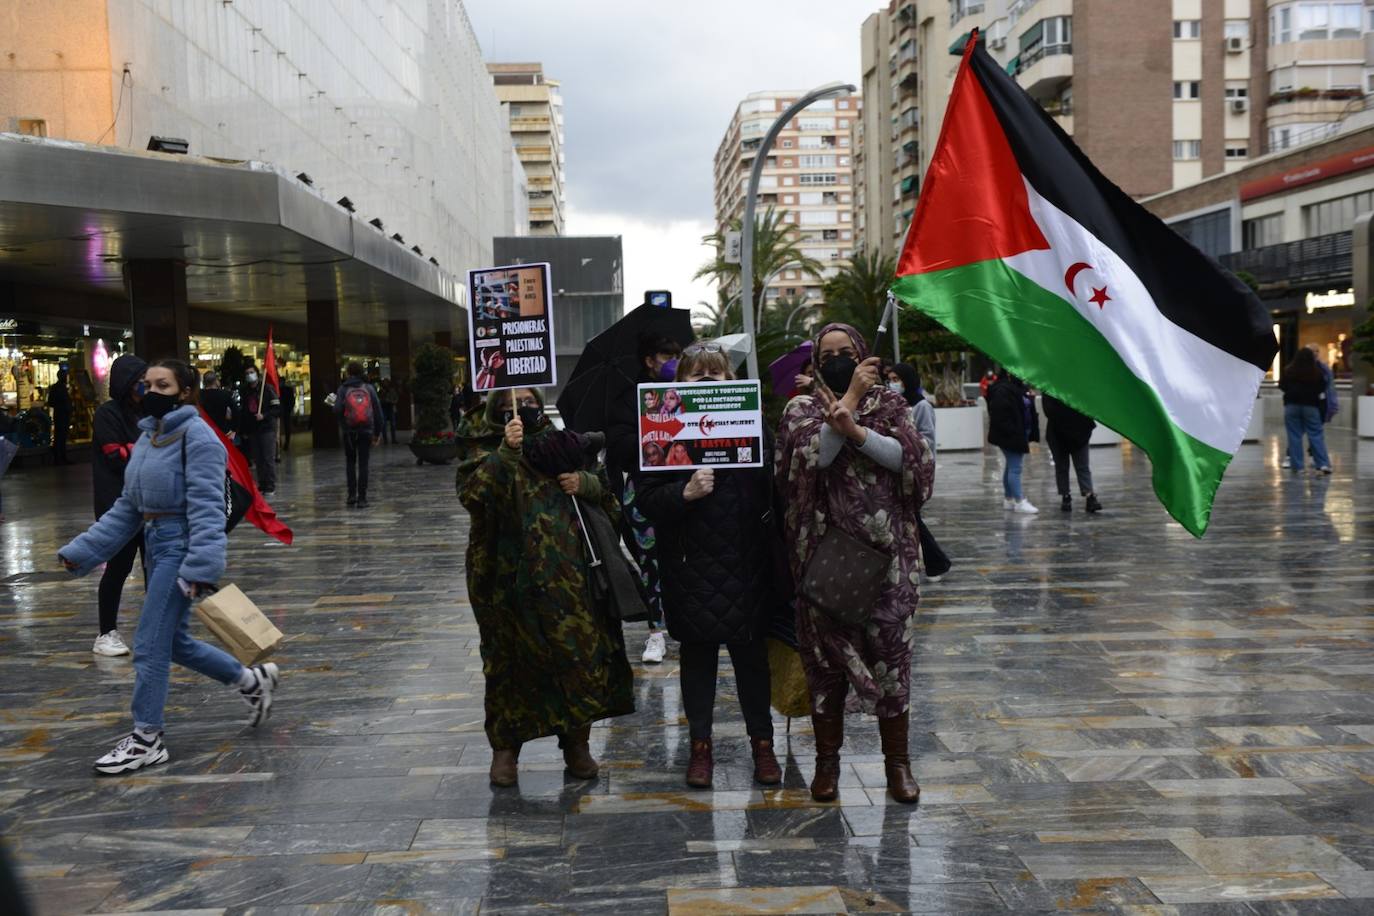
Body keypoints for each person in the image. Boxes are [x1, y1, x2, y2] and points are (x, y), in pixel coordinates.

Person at [57, 359, 280, 774]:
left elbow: (209, 510)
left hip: (181, 549)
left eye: (163, 384)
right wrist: (82, 551)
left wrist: (200, 569)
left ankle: (147, 738)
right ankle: (252, 681)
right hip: (156, 545)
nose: (152, 392)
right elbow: (128, 508)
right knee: (172, 642)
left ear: (185, 391)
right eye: (147, 384)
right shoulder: (150, 437)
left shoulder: (198, 439)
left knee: (147, 644)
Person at [775, 323, 935, 804]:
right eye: (828, 354)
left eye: (847, 352)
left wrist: (857, 429)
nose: (838, 358)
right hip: (824, 559)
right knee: (825, 666)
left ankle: (898, 767)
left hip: (888, 560)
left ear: (864, 354)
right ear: (816, 362)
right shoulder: (801, 407)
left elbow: (914, 462)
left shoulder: (891, 405)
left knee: (892, 657)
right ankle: (827, 766)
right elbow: (810, 460)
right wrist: (841, 409)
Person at [455, 386, 635, 787]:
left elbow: (611, 504)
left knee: (577, 662)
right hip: (505, 583)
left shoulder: (567, 445)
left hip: (569, 580)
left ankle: (576, 745)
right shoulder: (482, 450)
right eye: (507, 405)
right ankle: (506, 750)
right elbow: (473, 496)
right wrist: (507, 453)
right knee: (508, 665)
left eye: (529, 401)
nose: (521, 408)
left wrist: (585, 484)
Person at [634, 343, 781, 789]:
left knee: (752, 662)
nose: (704, 383)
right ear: (680, 384)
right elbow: (646, 501)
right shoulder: (659, 431)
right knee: (697, 661)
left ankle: (763, 746)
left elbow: (777, 487)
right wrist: (684, 493)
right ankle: (700, 748)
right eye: (695, 375)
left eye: (714, 376)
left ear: (730, 383)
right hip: (689, 567)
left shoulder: (756, 425)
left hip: (747, 565)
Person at [606, 332, 683, 665]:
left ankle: (686, 623)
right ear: (649, 361)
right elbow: (618, 447)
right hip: (643, 491)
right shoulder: (627, 399)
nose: (673, 363)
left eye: (677, 355)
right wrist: (651, 431)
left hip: (684, 489)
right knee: (649, 562)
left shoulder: (689, 392)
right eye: (666, 357)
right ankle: (656, 632)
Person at [90, 353, 148, 657]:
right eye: (140, 382)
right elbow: (115, 455)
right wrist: (147, 449)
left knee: (155, 567)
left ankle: (157, 629)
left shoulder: (148, 413)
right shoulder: (108, 414)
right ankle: (106, 632)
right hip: (118, 506)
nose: (145, 388)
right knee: (119, 567)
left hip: (150, 504)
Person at [987, 372, 1039, 514]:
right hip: (1011, 436)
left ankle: (1009, 499)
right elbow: (1000, 415)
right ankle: (1019, 501)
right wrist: (1014, 431)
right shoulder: (1003, 390)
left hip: (1017, 433)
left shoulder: (1017, 387)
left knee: (1011, 467)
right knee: (1015, 468)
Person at [333, 362, 384, 508]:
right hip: (366, 430)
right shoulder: (369, 388)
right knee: (363, 464)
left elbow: (337, 410)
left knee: (350, 462)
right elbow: (378, 412)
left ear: (348, 372)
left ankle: (351, 496)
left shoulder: (343, 389)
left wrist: (344, 424)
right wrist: (377, 433)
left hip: (349, 431)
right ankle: (362, 499)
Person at [1043, 394, 1101, 513]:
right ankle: (1084, 496)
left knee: (1066, 467)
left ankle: (1069, 497)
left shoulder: (1050, 386)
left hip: (1062, 432)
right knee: (1079, 467)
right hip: (1074, 431)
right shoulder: (1074, 385)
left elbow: (1049, 410)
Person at [1280, 347, 1331, 474]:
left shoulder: (1289, 371)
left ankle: (1298, 467)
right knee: (1316, 435)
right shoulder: (1317, 372)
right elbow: (1322, 388)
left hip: (1291, 406)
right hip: (1311, 406)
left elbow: (1282, 386)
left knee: (1294, 436)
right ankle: (1323, 464)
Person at [238, 360, 280, 494]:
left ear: (257, 373)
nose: (250, 375)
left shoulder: (266, 389)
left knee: (268, 458)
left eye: (252, 372)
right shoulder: (245, 391)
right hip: (253, 429)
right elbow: (244, 411)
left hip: (267, 428)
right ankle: (262, 483)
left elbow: (277, 409)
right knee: (258, 458)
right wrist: (244, 429)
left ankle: (270, 485)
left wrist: (265, 415)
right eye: (247, 373)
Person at [887, 363, 935, 456]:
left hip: (919, 462)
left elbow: (928, 440)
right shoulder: (895, 404)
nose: (891, 384)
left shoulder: (922, 406)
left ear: (907, 380)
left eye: (895, 379)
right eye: (890, 380)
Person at [199, 371, 238, 439]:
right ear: (216, 381)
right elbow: (236, 411)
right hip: (223, 432)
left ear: (204, 382)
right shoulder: (225, 394)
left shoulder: (198, 395)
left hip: (204, 431)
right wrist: (234, 430)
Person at [48, 367, 71, 465]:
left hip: (61, 415)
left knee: (61, 437)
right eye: (65, 376)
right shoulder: (59, 388)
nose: (66, 378)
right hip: (61, 415)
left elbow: (51, 402)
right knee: (60, 437)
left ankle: (60, 457)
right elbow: (51, 402)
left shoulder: (58, 387)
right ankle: (59, 458)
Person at [380, 378, 400, 444]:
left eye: (386, 383)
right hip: (384, 408)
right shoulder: (381, 391)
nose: (385, 384)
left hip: (391, 407)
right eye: (384, 383)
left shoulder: (392, 390)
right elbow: (379, 399)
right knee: (384, 424)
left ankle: (393, 439)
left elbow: (396, 398)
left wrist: (392, 401)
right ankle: (385, 440)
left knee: (393, 424)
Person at [279, 381, 296, 452]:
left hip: (284, 410)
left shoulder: (279, 389)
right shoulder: (288, 389)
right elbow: (292, 400)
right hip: (286, 410)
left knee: (283, 427)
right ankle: (285, 443)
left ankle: (283, 443)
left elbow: (292, 400)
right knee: (286, 427)